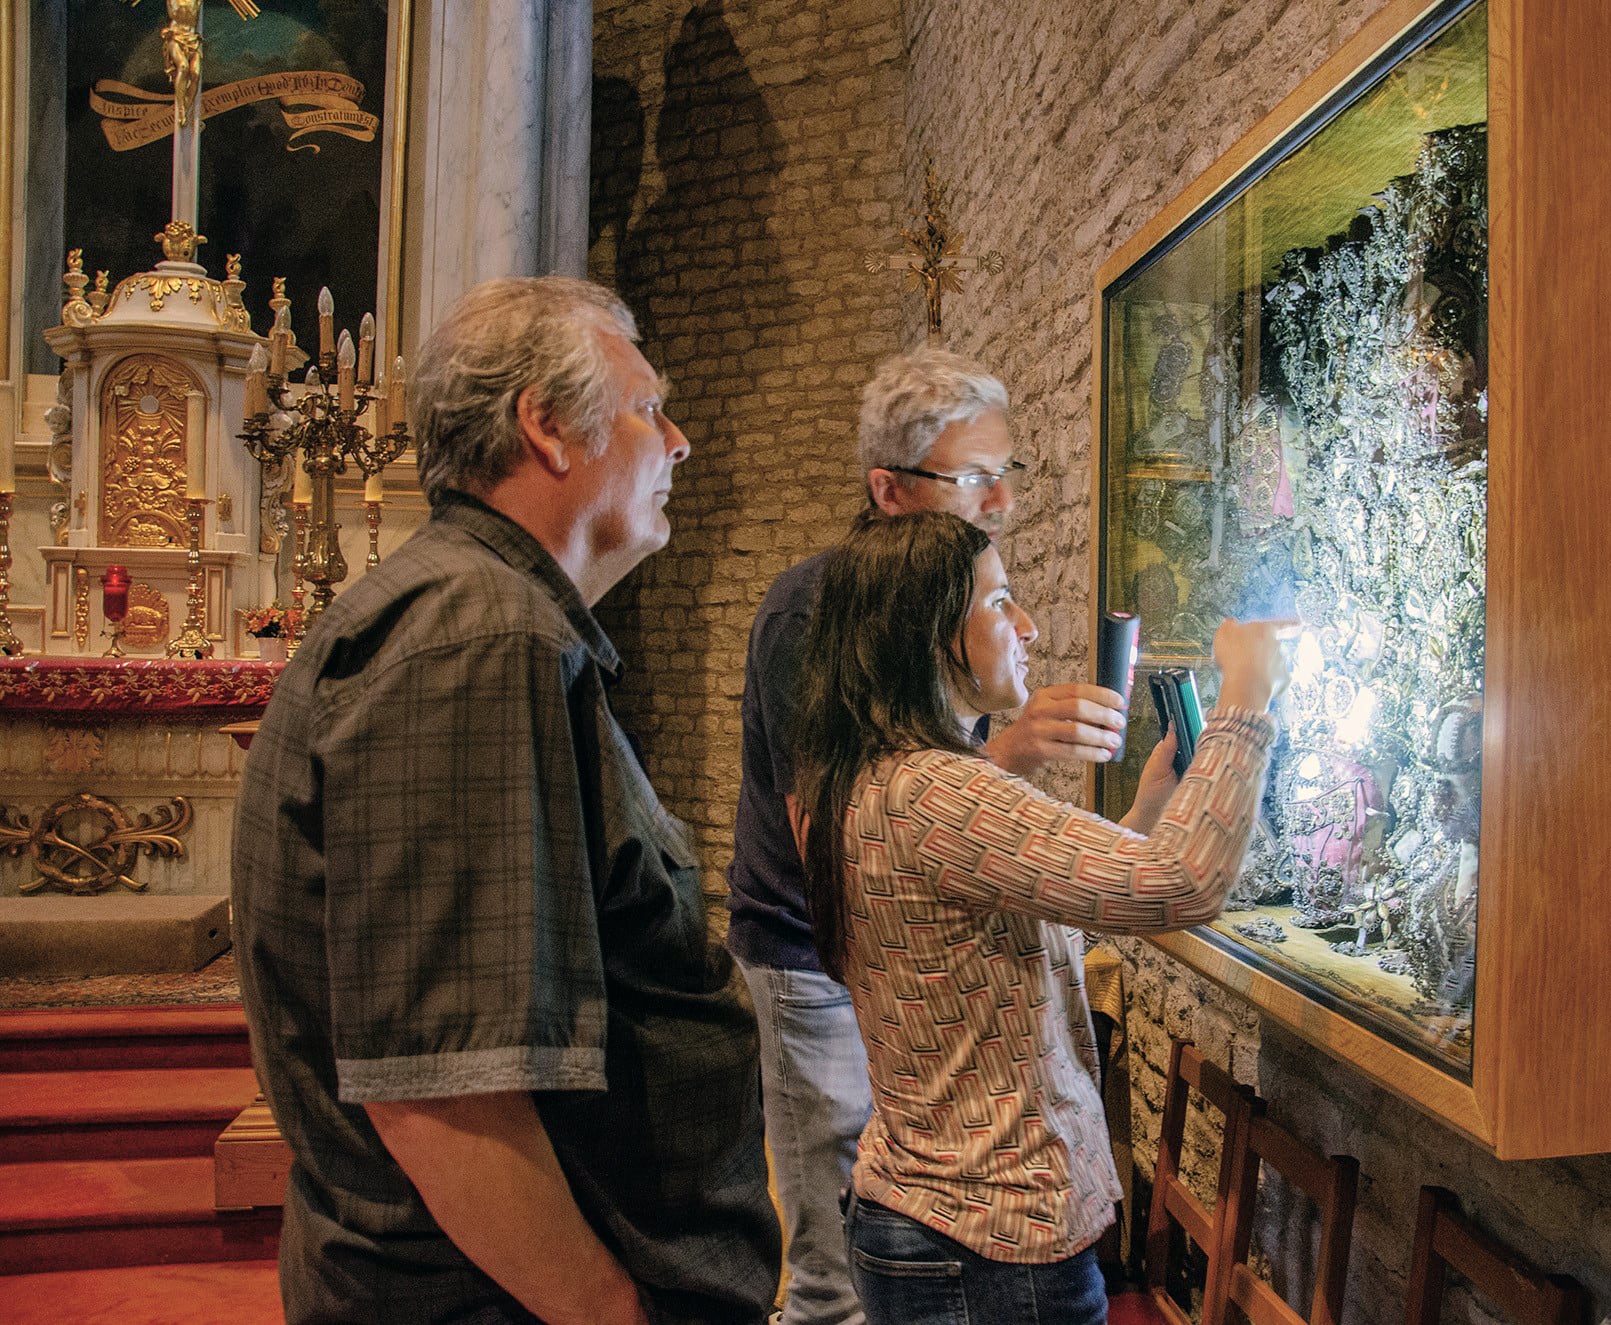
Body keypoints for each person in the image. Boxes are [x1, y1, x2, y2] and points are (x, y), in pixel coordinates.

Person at [233, 276, 780, 1325]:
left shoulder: (485, 613)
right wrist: (610, 1310)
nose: (678, 440)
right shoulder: (479, 636)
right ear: (545, 426)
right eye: (644, 406)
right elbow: (444, 1087)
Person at [792, 511, 1291, 1325]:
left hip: (929, 1220)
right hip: (986, 1243)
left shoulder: (871, 776)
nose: (1025, 626)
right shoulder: (943, 791)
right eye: (999, 602)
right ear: (926, 637)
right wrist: (1247, 696)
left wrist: (1145, 812)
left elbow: (999, 939)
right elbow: (1187, 881)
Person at [727, 349, 1127, 1325]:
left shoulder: (938, 600)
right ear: (888, 487)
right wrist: (1016, 750)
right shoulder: (814, 608)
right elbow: (844, 830)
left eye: (1006, 474)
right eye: (973, 476)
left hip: (917, 973)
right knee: (829, 1270)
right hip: (819, 963)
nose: (998, 501)